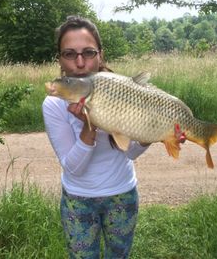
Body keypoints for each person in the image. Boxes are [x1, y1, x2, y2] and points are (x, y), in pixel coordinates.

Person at [42, 15, 151, 258]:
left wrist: (153, 133)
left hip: (122, 193)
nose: (79, 63)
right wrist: (89, 126)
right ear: (60, 59)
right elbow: (73, 168)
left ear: (100, 55)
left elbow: (131, 151)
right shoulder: (53, 104)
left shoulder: (121, 92)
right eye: (69, 54)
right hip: (78, 199)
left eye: (88, 53)